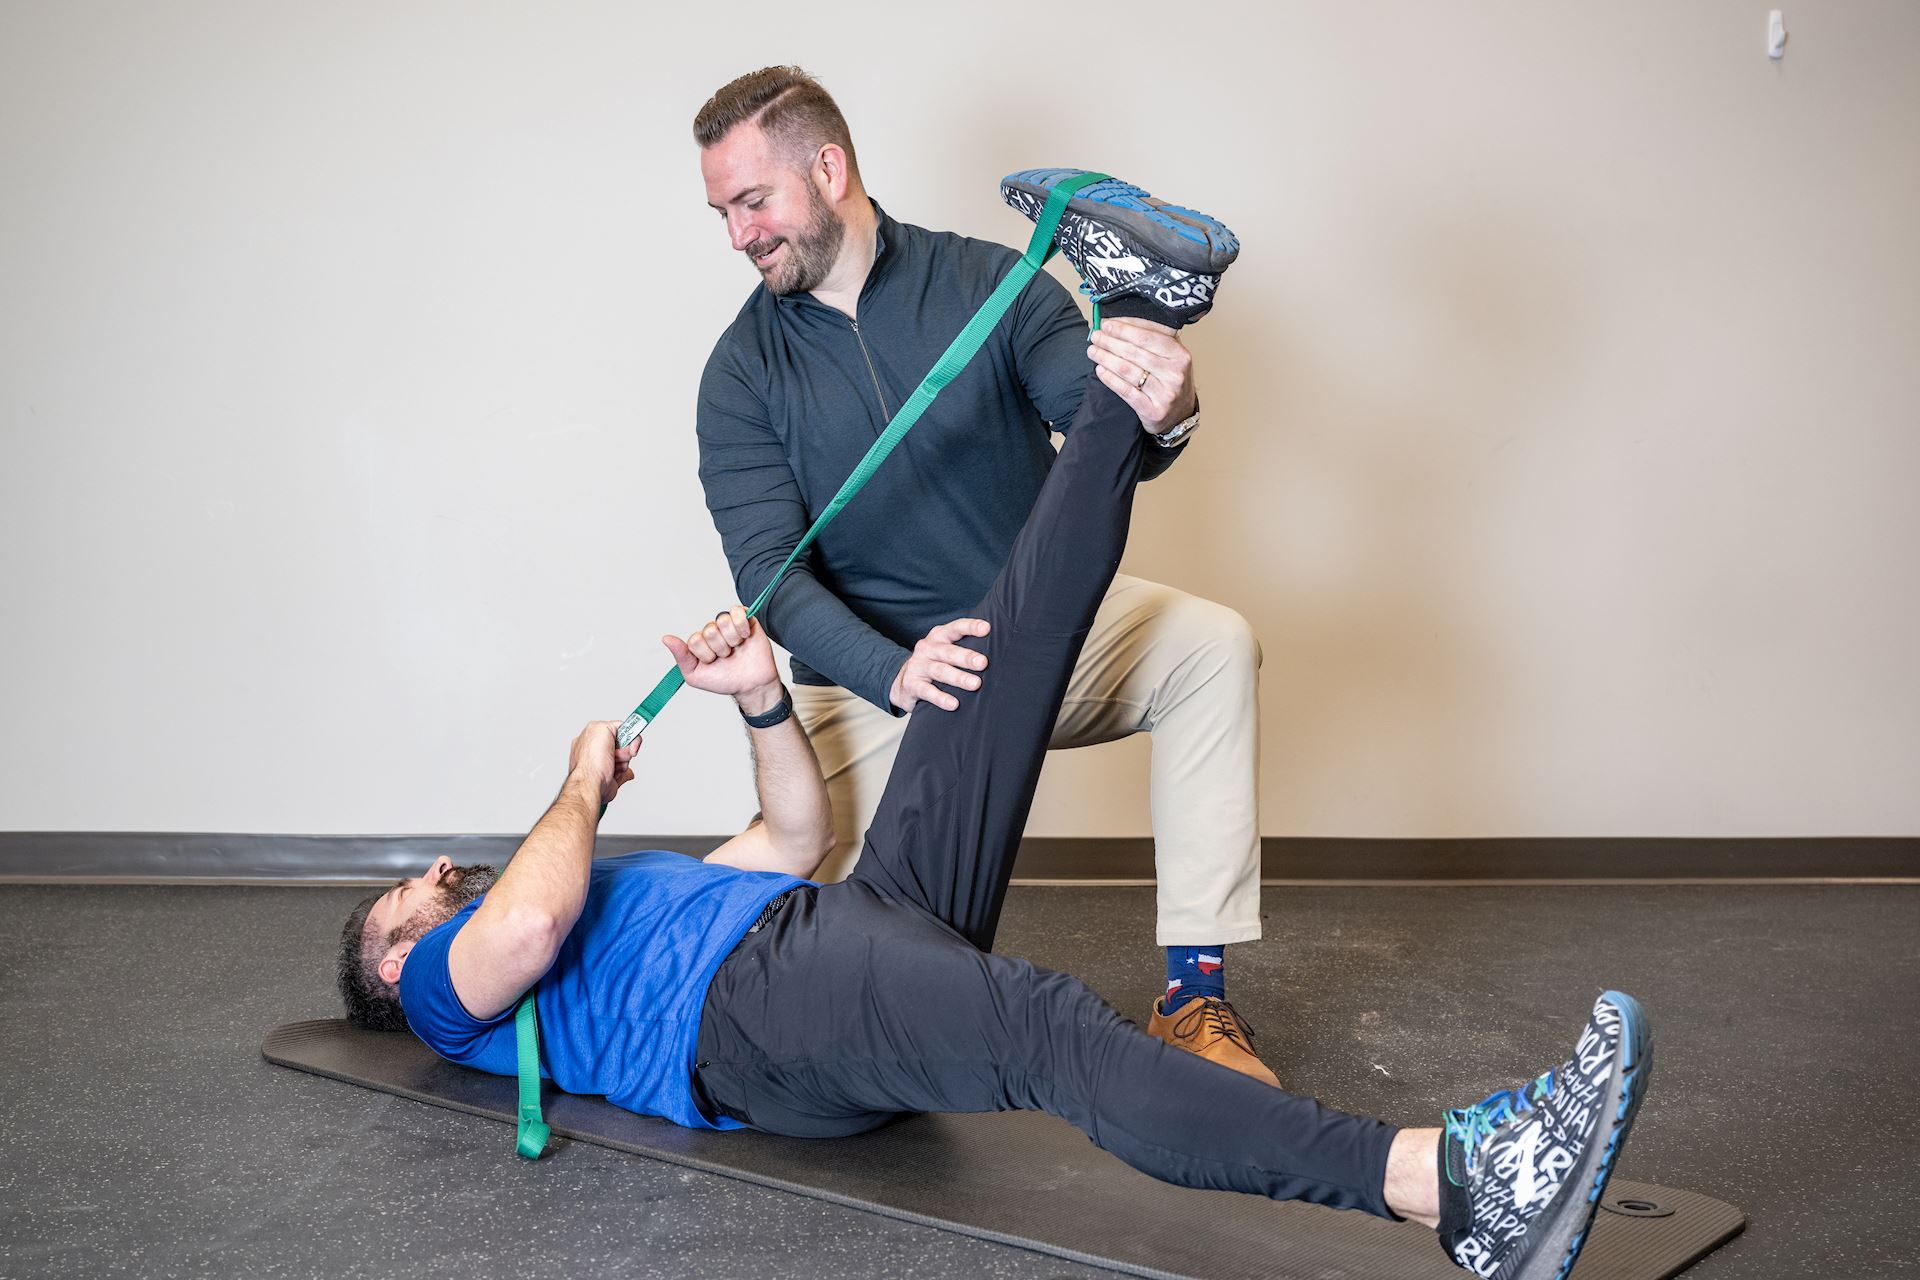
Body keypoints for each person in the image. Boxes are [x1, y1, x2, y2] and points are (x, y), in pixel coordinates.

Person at [337, 182, 1651, 1280]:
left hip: (830, 922)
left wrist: (759, 697)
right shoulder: (453, 993)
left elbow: (792, 838)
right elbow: (524, 926)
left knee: (993, 660)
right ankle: (1454, 1187)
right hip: (761, 1019)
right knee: (1048, 1027)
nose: (438, 877)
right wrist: (580, 784)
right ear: (396, 970)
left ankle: (1135, 316)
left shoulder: (608, 896)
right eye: (408, 900)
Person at [691, 66, 1273, 1082]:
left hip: (1036, 629)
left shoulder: (991, 283)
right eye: (724, 214)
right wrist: (892, 671)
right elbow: (770, 578)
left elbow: (1101, 428)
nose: (739, 235)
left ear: (827, 170)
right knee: (798, 966)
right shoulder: (740, 373)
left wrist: (1166, 404)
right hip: (876, 688)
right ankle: (1149, 297)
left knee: (1211, 645)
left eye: (753, 202)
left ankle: (1195, 999)